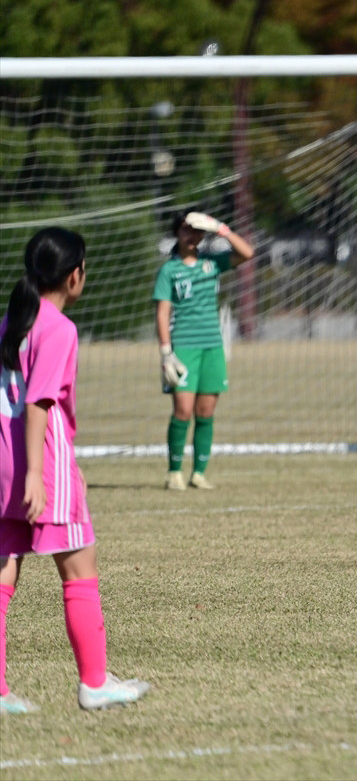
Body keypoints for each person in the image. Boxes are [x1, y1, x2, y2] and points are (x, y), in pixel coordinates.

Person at [0, 228, 151, 714]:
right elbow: (40, 403)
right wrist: (37, 474)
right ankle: (94, 684)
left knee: (3, 572)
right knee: (80, 570)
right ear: (73, 276)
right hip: (41, 464)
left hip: (3, 460)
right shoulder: (58, 328)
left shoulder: (10, 322)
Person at [153, 210, 254, 491]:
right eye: (186, 229)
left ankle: (198, 473)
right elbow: (162, 313)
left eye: (196, 230)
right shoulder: (169, 270)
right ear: (177, 233)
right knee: (183, 410)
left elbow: (247, 253)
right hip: (183, 347)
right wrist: (166, 352)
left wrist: (221, 228)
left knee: (206, 411)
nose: (191, 235)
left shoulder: (212, 263)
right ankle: (174, 472)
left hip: (212, 346)